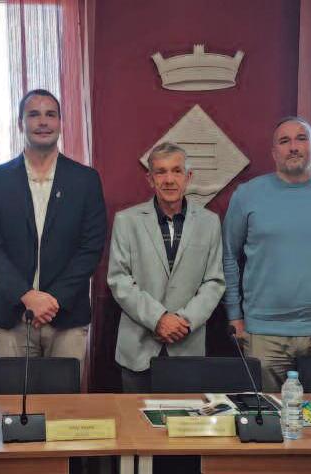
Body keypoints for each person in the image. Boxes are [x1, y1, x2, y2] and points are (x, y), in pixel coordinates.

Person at [222, 117, 311, 392]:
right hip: (264, 332)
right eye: (284, 141)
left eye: (301, 139)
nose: (293, 147)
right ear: (274, 152)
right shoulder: (247, 195)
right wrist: (235, 315)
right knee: (267, 414)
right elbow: (228, 256)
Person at [0, 89, 106, 368]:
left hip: (67, 318)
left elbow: (91, 248)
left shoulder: (86, 180)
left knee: (64, 397)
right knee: (11, 396)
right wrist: (26, 296)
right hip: (11, 316)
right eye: (34, 114)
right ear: (20, 123)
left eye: (50, 114)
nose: (43, 122)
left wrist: (52, 300)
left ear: (60, 123)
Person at [108, 143, 225, 393]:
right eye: (161, 172)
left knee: (185, 418)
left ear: (188, 177)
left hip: (187, 345)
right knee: (135, 418)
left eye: (176, 171)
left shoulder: (210, 222)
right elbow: (119, 279)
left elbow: (214, 282)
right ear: (150, 179)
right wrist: (158, 319)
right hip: (137, 349)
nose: (169, 179)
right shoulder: (126, 221)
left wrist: (184, 321)